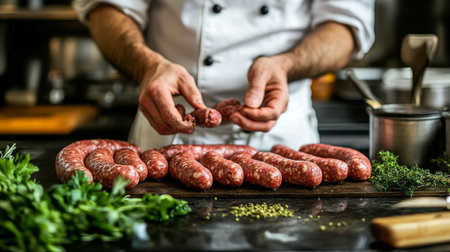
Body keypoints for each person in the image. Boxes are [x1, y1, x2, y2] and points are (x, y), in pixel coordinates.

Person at [73, 0, 375, 151]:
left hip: (281, 139)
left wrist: (288, 65)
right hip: (166, 133)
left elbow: (346, 24)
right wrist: (148, 65)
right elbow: (107, 8)